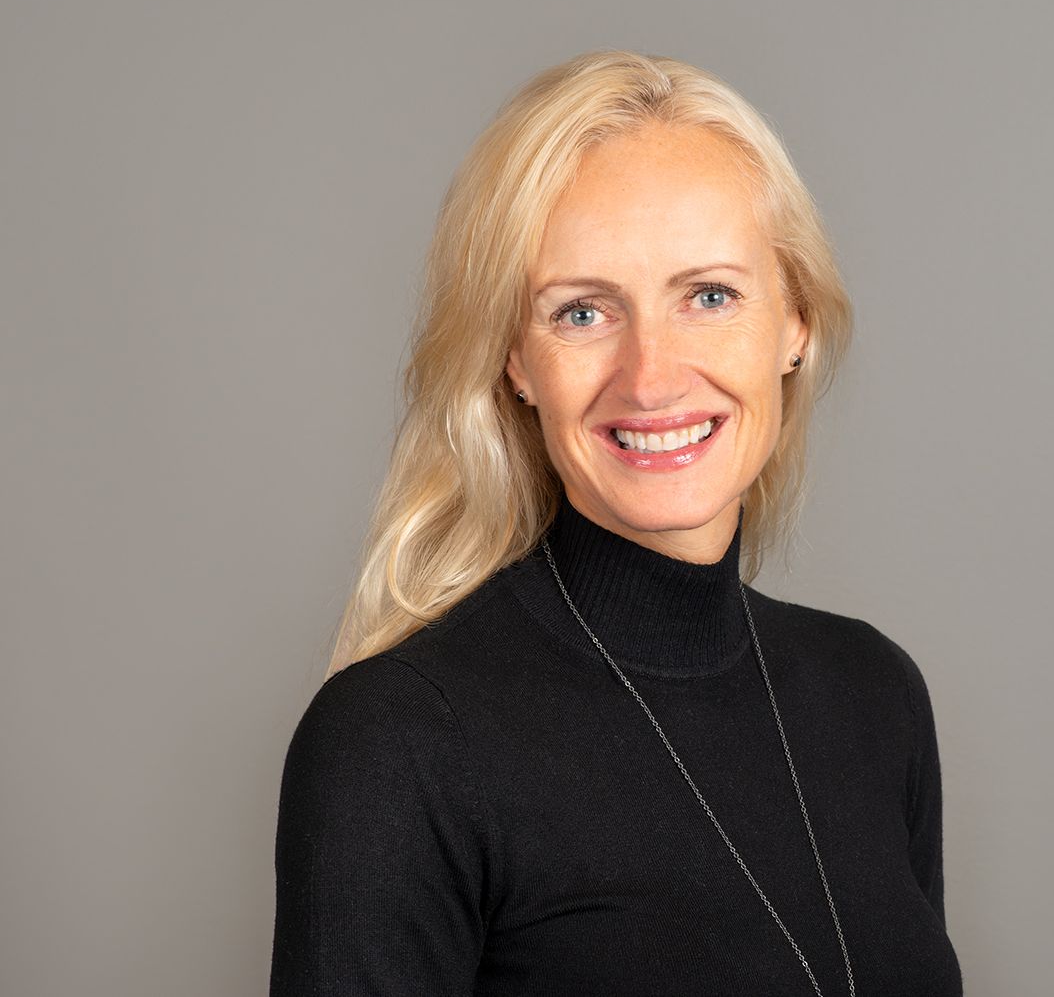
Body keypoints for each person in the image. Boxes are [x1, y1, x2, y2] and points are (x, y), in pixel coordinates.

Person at [270, 49, 964, 996]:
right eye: (582, 313)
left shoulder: (874, 695)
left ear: (794, 322)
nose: (650, 378)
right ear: (515, 361)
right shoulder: (399, 741)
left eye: (709, 296)